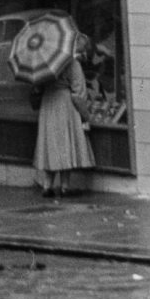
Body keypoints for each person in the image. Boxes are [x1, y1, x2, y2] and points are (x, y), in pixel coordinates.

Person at [33, 46, 93, 198]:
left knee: (50, 145)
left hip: (48, 104)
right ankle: (65, 186)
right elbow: (78, 93)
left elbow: (36, 88)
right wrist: (86, 115)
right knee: (65, 144)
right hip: (66, 105)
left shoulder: (42, 64)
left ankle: (47, 185)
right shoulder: (72, 63)